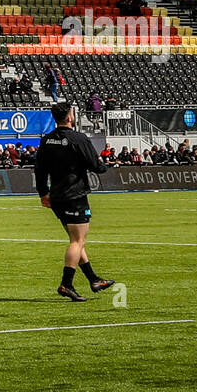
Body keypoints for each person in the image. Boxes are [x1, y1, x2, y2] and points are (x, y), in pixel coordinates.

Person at [34, 101, 115, 302]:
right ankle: (66, 284)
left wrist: (44, 193)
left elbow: (39, 169)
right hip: (75, 195)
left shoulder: (47, 140)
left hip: (56, 197)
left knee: (76, 242)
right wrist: (106, 167)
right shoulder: (78, 138)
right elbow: (95, 165)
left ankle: (93, 279)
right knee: (77, 241)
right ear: (70, 117)